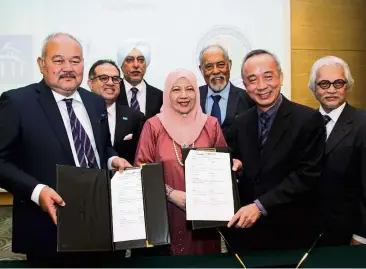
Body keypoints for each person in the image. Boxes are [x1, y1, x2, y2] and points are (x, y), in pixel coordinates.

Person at [0, 33, 131, 265]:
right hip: (48, 231)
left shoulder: (95, 102)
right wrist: (37, 191)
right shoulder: (17, 102)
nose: (68, 68)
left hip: (101, 224)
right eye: (59, 60)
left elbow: (104, 147)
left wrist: (113, 160)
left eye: (75, 60)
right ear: (42, 64)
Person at [134, 69, 242, 255]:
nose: (184, 96)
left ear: (197, 92)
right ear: (167, 93)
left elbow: (222, 165)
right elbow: (141, 170)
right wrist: (170, 194)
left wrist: (232, 168)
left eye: (189, 89)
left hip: (205, 217)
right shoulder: (153, 126)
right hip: (164, 214)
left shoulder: (211, 125)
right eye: (176, 90)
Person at [226, 49, 325, 251]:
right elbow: (243, 165)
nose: (261, 86)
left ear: (281, 77)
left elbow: (306, 176)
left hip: (292, 232)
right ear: (245, 86)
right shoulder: (240, 122)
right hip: (247, 236)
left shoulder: (307, 119)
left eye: (268, 77)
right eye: (252, 80)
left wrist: (260, 206)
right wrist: (235, 167)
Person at [308, 56, 366, 246]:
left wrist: (362, 234)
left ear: (347, 86)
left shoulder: (362, 123)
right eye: (324, 84)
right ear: (314, 89)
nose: (331, 90)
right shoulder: (304, 123)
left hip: (348, 235)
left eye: (338, 83)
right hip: (306, 234)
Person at [88, 59, 145, 164]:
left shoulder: (135, 117)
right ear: (90, 83)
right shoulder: (80, 114)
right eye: (104, 78)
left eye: (115, 79)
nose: (110, 83)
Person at [199, 44, 254, 139]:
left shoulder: (248, 99)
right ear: (201, 69)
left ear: (230, 64)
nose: (215, 71)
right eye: (209, 66)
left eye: (220, 65)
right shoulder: (193, 97)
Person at [116, 39, 163, 119]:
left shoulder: (160, 96)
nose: (136, 65)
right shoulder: (113, 94)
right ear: (121, 65)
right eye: (130, 60)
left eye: (141, 60)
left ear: (146, 64)